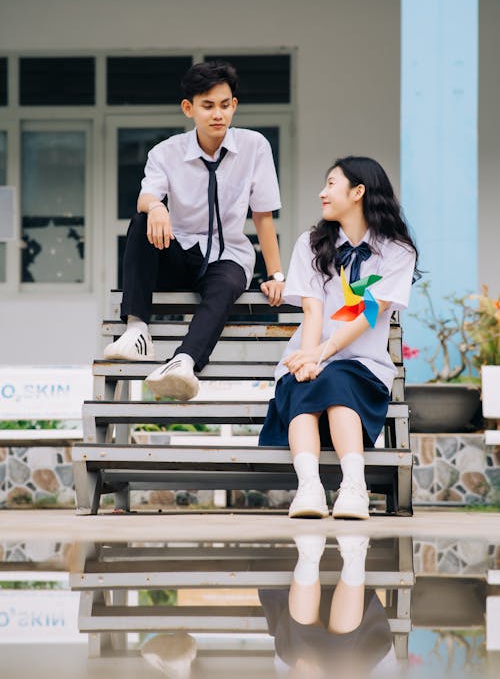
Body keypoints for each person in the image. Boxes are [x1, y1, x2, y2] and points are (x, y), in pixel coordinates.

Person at [104, 60, 285, 400]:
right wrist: (157, 207)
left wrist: (275, 274)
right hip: (179, 254)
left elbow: (263, 216)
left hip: (227, 255)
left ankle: (183, 362)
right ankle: (138, 330)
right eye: (208, 106)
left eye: (225, 105)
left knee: (228, 284)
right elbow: (146, 195)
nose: (218, 114)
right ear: (189, 109)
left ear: (234, 106)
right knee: (142, 220)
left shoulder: (254, 147)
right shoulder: (165, 153)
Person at [259, 156, 418, 520]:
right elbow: (312, 311)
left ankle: (353, 487)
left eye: (332, 184)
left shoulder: (397, 252)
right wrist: (309, 357)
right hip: (312, 354)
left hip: (363, 365)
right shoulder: (310, 243)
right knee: (302, 386)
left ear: (358, 192)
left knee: (339, 381)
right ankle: (310, 487)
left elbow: (370, 314)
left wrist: (321, 353)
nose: (322, 192)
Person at [259, 534, 399, 678]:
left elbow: (293, 665)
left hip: (300, 621)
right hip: (360, 636)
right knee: (343, 655)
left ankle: (310, 553)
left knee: (305, 649)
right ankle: (354, 554)